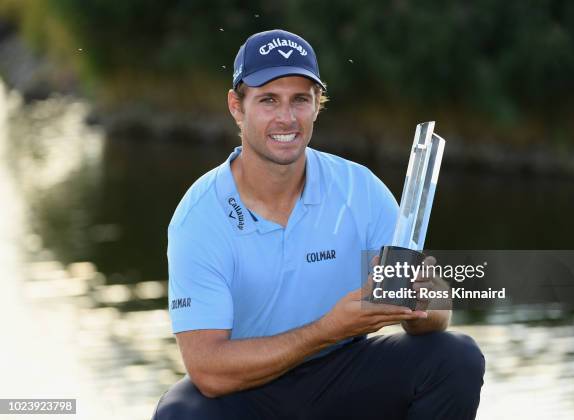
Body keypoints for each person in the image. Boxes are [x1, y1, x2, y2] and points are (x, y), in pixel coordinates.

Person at [152, 29, 485, 420]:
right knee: (181, 411)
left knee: (455, 358)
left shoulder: (359, 189)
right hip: (249, 387)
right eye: (268, 100)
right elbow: (207, 369)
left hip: (344, 374)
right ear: (237, 107)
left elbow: (428, 319)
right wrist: (327, 329)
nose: (286, 118)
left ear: (316, 106)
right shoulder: (200, 216)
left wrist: (426, 301)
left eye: (300, 100)